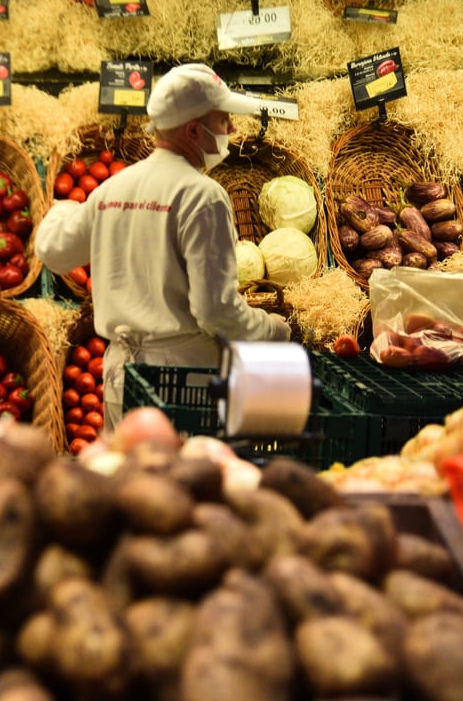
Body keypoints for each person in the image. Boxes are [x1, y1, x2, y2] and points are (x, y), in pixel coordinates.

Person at [35, 63, 292, 432]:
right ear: (192, 129)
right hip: (184, 383)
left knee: (128, 479)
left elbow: (55, 252)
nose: (232, 130)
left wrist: (63, 208)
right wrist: (271, 330)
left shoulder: (113, 188)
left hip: (122, 376)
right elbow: (215, 311)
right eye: (223, 121)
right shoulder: (202, 196)